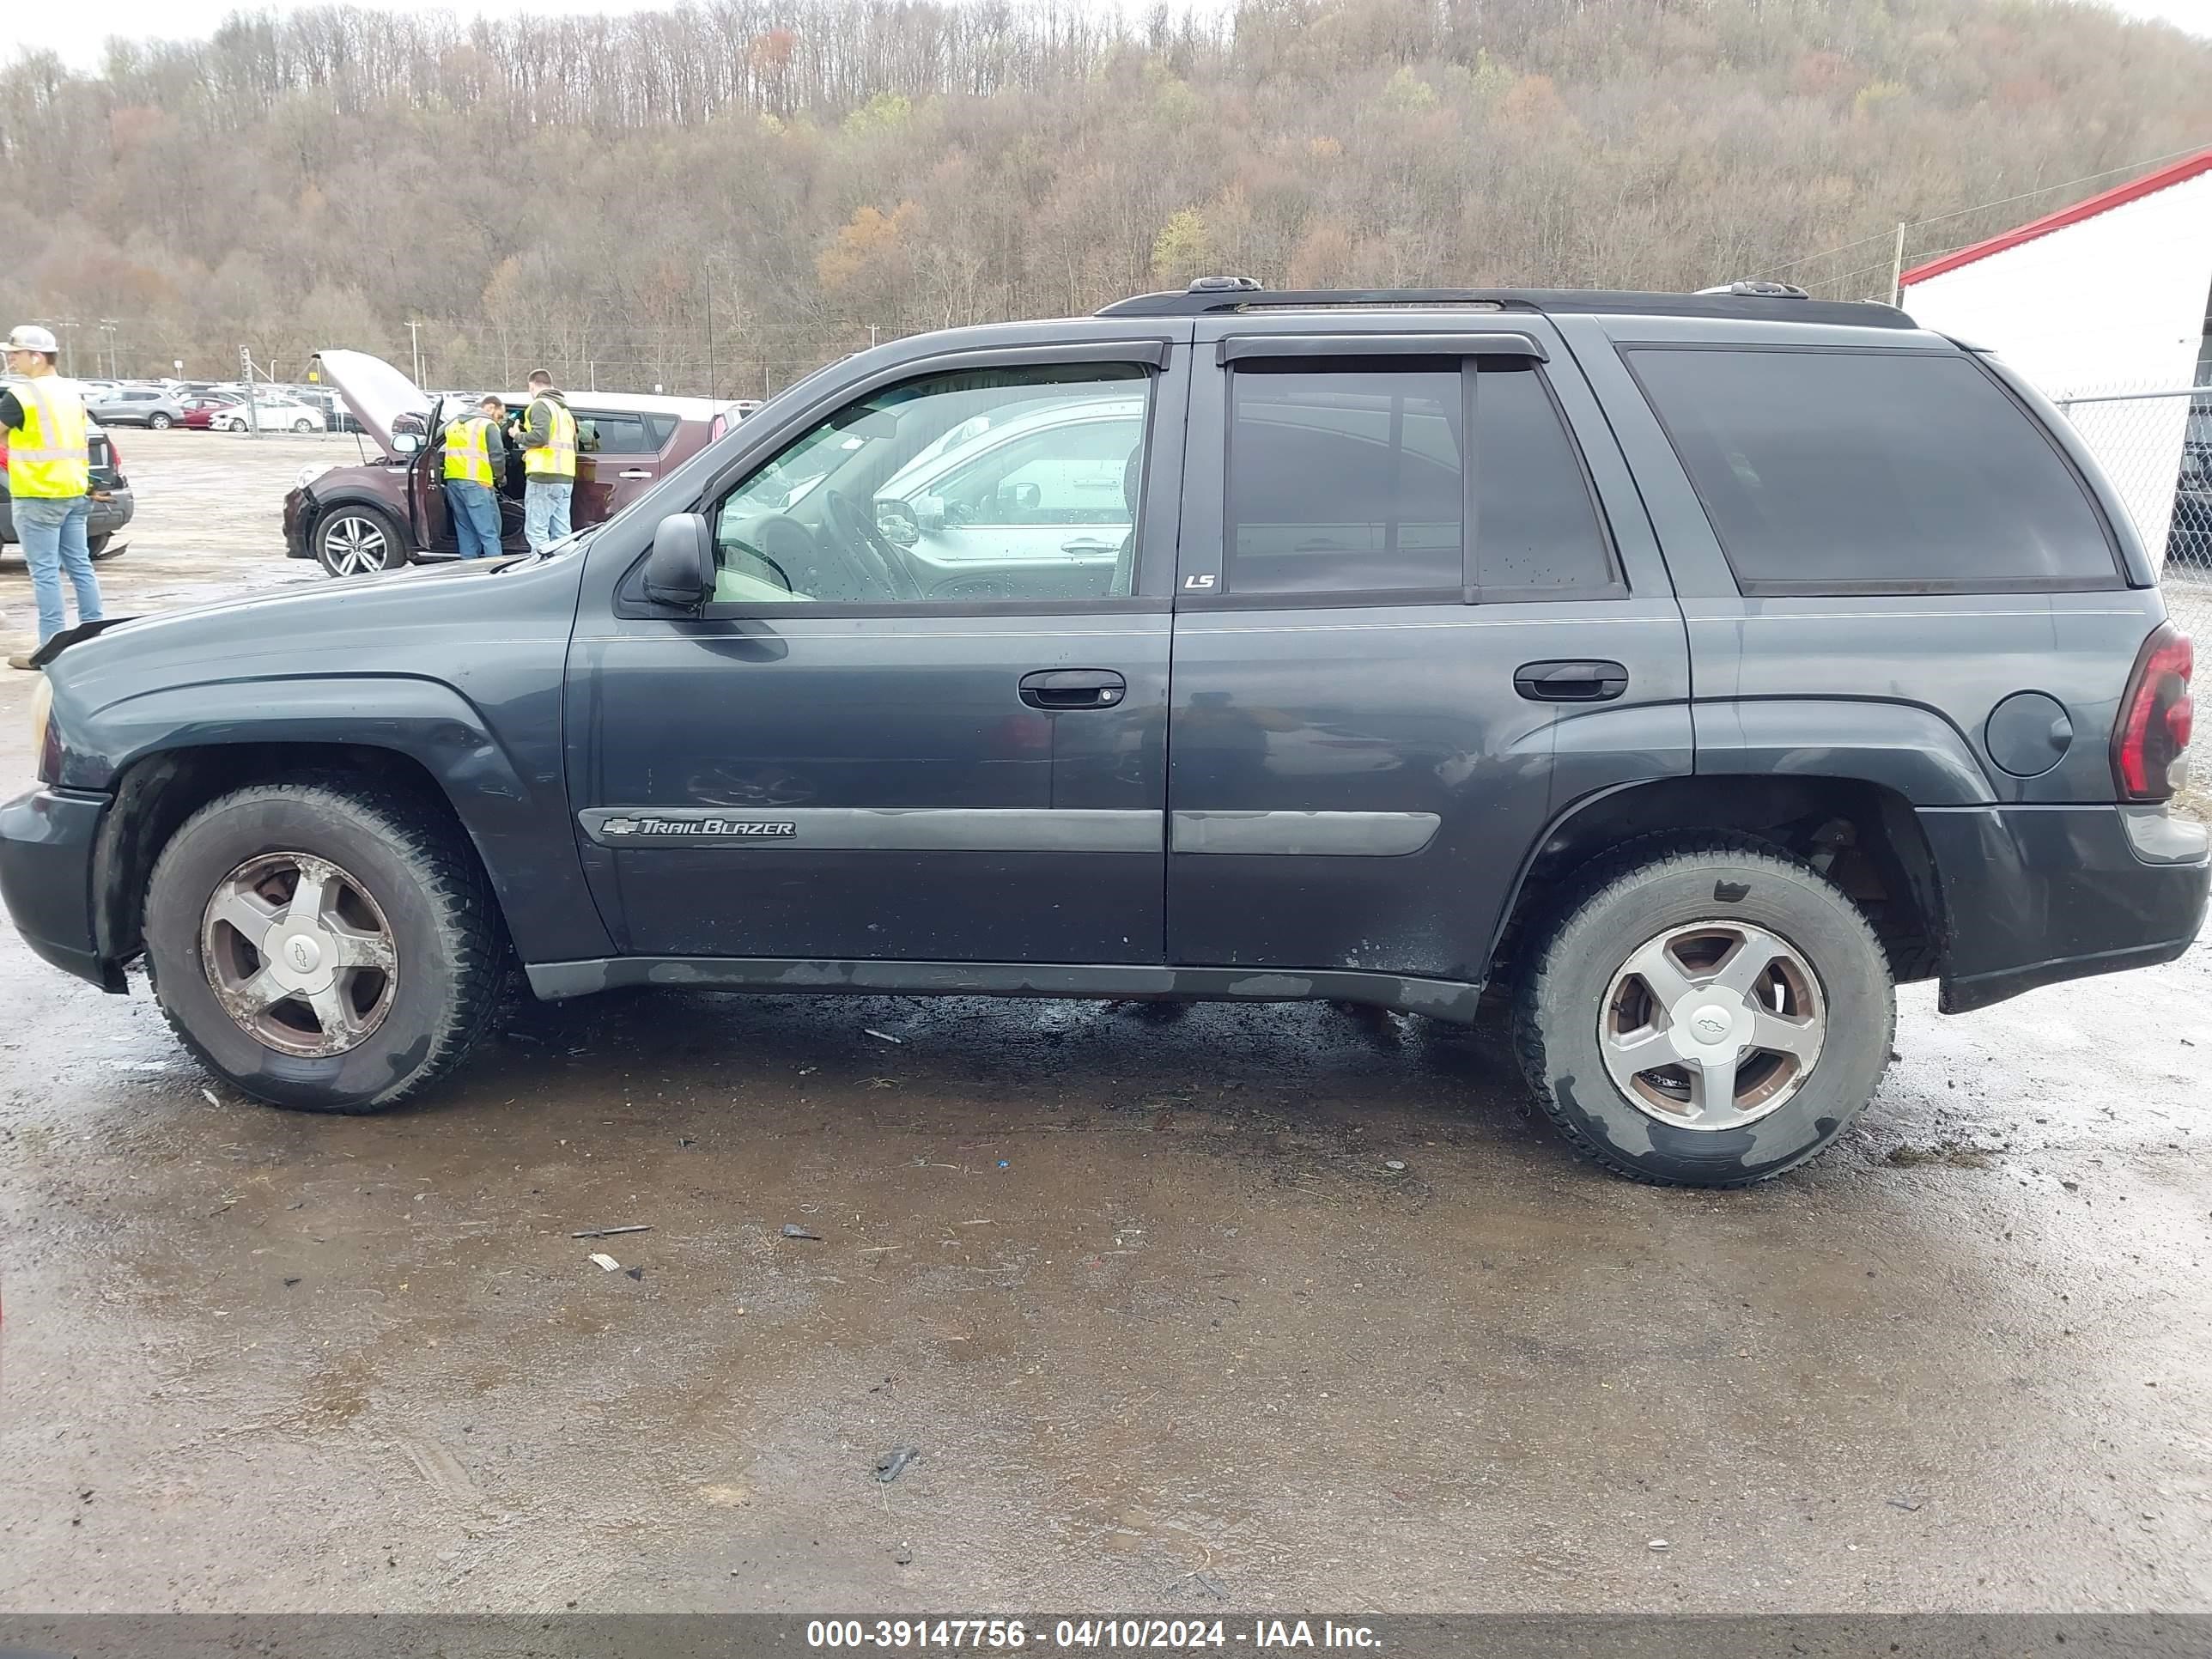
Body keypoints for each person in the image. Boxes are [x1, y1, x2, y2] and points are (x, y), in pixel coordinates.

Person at [2, 325, 102, 670]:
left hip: (38, 495)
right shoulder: (71, 393)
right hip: (74, 492)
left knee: (45, 573)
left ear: (37, 356)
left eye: (15, 354)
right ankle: (93, 638)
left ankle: (51, 651)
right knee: (80, 567)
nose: (10, 360)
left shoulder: (23, 395)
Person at [514, 369, 576, 552]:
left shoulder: (540, 405)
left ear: (531, 385)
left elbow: (540, 437)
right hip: (565, 477)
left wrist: (517, 436)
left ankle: (539, 573)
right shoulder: (564, 410)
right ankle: (564, 572)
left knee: (537, 531)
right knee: (562, 534)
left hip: (544, 476)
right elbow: (568, 444)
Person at [441, 394, 508, 559]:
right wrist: (500, 478)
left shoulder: (453, 424)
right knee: (489, 532)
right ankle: (495, 570)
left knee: (465, 531)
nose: (500, 421)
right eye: (500, 416)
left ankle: (470, 572)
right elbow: (497, 455)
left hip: (453, 481)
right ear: (490, 407)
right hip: (477, 482)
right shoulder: (486, 424)